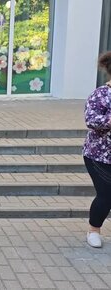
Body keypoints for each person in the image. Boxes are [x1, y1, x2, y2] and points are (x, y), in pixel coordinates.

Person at [84, 51, 111, 248]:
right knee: (107, 194)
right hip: (99, 156)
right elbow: (91, 120)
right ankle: (94, 230)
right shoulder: (100, 94)